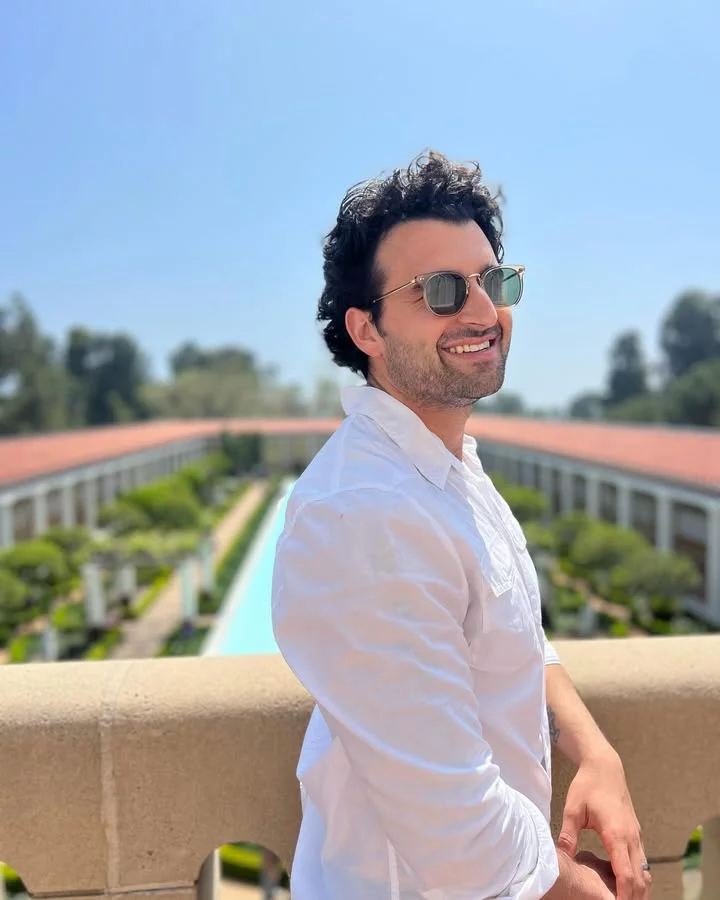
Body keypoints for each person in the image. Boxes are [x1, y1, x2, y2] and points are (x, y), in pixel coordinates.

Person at [271, 152, 651, 899]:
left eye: (494, 280)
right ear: (367, 330)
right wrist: (589, 890)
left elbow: (516, 638)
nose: (481, 311)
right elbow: (458, 832)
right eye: (440, 291)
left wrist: (596, 750)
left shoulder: (449, 469)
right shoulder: (360, 515)